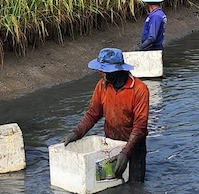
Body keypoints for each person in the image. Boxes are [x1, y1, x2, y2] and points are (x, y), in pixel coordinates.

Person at [61, 48, 150, 183]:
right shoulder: (102, 86)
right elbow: (93, 114)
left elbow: (140, 126)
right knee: (109, 186)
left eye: (103, 70)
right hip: (111, 145)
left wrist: (126, 153)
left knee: (135, 188)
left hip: (134, 147)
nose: (100, 73)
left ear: (116, 71)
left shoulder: (139, 89)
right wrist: (76, 133)